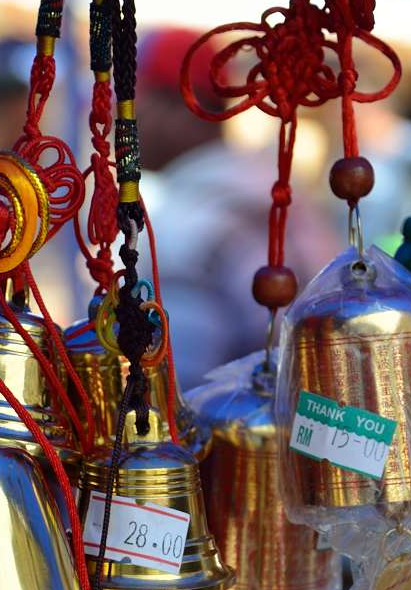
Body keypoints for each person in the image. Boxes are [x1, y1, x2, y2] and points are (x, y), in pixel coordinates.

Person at [135, 28, 339, 389]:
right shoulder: (267, 187)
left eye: (132, 103)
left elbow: (175, 392)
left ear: (178, 107)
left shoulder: (191, 220)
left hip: (244, 437)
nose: (119, 123)